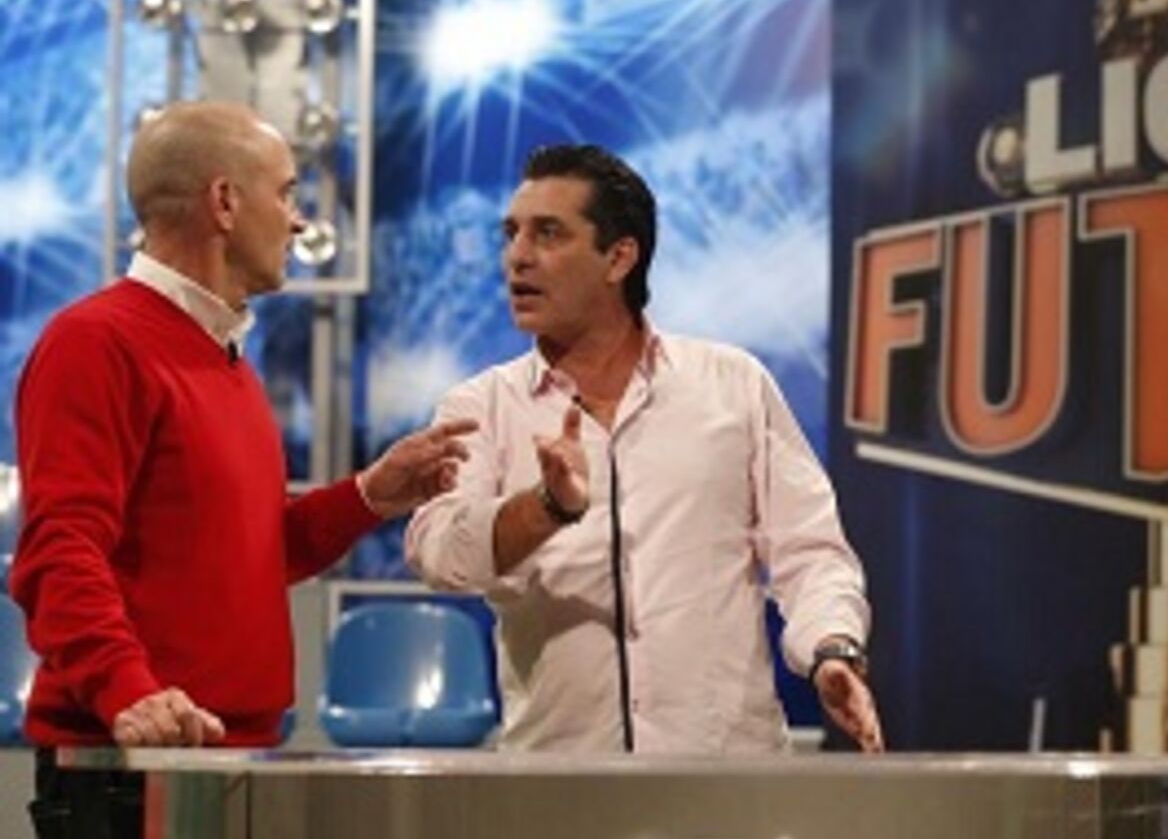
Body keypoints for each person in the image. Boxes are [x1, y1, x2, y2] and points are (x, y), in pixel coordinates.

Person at [8, 101, 476, 837]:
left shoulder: (221, 357)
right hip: (136, 772)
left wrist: (368, 496)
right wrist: (129, 691)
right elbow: (59, 550)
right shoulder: (95, 344)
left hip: (226, 764)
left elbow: (248, 553)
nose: (298, 220)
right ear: (225, 202)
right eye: (286, 192)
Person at [405, 144, 883, 754]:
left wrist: (830, 649)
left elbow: (810, 551)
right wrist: (546, 508)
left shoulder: (733, 384)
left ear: (619, 257)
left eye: (547, 233)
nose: (517, 256)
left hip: (721, 772)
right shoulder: (481, 406)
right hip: (559, 776)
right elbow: (441, 555)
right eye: (511, 234)